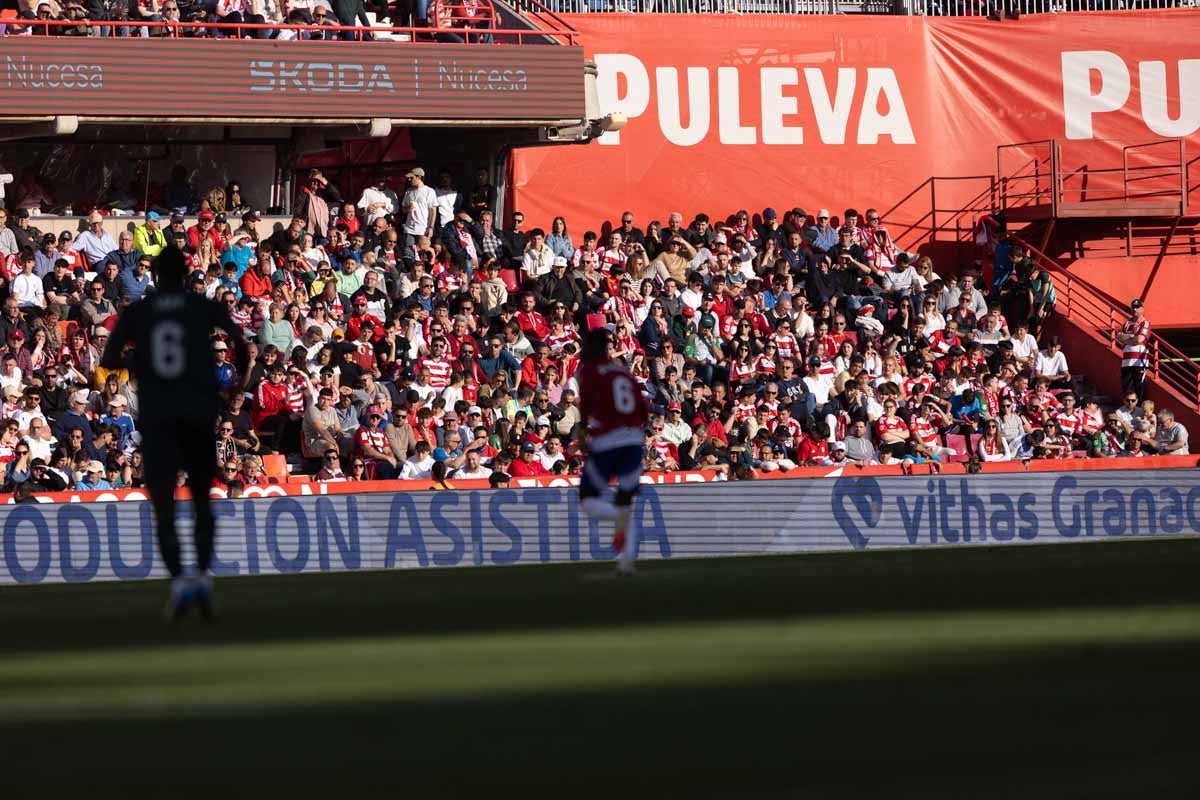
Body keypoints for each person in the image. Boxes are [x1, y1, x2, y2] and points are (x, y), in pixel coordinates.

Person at [101, 246, 248, 622]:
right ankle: (201, 578)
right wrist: (231, 391)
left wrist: (143, 363)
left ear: (156, 276)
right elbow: (243, 349)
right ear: (184, 274)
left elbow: (109, 359)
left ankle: (181, 582)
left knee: (163, 507)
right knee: (202, 501)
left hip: (160, 418)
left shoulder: (140, 311)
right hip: (198, 414)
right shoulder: (203, 306)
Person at [576, 327, 650, 574]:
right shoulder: (623, 372)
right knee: (625, 500)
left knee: (587, 499)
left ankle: (620, 518)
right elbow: (643, 409)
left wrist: (585, 431)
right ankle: (626, 563)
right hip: (633, 441)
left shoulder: (589, 371)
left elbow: (586, 407)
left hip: (607, 440)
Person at [1116, 298, 1150, 403]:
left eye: (1137, 307)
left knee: (1138, 388)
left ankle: (1138, 410)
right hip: (1126, 361)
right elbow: (1118, 336)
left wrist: (1127, 338)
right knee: (1126, 389)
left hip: (1138, 361)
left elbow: (1140, 339)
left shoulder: (1145, 323)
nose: (1134, 310)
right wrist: (1132, 336)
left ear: (1142, 309)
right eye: (1133, 307)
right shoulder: (1127, 323)